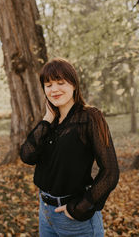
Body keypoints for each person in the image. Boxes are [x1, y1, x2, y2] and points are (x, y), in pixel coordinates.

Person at [20, 58, 119, 237]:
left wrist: (80, 208)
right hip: (45, 213)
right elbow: (27, 156)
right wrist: (46, 120)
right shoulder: (49, 122)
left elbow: (110, 172)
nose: (54, 89)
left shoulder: (90, 117)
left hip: (75, 219)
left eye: (60, 82)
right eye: (48, 85)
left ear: (74, 85)